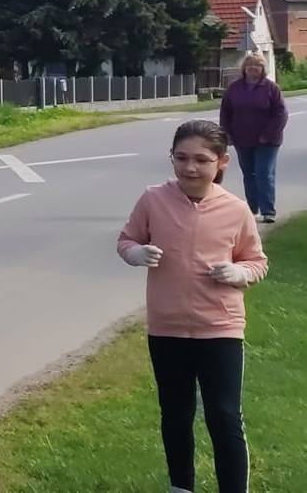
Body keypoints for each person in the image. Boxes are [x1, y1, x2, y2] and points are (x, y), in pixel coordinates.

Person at [117, 119, 268, 493]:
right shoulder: (153, 199)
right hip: (167, 328)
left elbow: (257, 261)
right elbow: (127, 239)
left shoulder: (236, 210)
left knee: (224, 416)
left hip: (220, 328)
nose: (190, 167)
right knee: (176, 415)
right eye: (180, 158)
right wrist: (136, 253)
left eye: (201, 159)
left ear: (222, 162)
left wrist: (239, 272)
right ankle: (181, 487)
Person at [219, 52, 287, 223]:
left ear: (263, 68)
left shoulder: (271, 88)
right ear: (244, 68)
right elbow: (225, 113)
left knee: (264, 173)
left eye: (257, 65)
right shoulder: (234, 88)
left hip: (268, 140)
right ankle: (252, 208)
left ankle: (268, 210)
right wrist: (226, 134)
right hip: (242, 138)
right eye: (250, 65)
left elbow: (281, 114)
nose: (253, 68)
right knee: (249, 174)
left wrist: (268, 134)